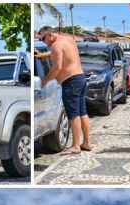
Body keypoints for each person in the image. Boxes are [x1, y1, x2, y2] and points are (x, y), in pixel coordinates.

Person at [37, 26, 92, 155]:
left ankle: (75, 145)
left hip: (70, 81)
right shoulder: (68, 39)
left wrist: (45, 80)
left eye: (43, 39)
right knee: (82, 112)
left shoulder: (55, 45)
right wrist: (41, 55)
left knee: (73, 114)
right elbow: (57, 53)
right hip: (80, 78)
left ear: (49, 35)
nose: (44, 42)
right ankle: (86, 142)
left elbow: (57, 67)